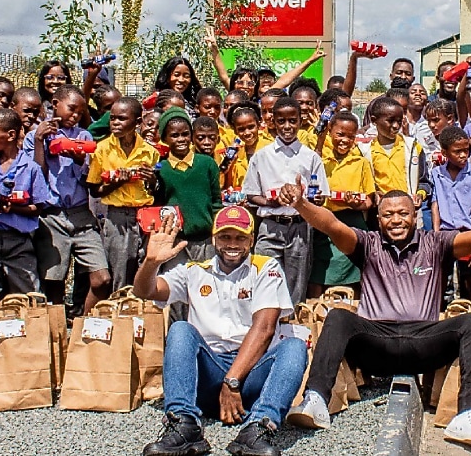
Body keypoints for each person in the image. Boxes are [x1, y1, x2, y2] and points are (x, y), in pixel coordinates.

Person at [283, 186, 471, 451]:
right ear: (378, 219)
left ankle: (469, 416)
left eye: (403, 213)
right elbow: (331, 225)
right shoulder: (367, 244)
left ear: (415, 215)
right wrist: (300, 204)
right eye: (388, 215)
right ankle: (316, 400)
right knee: (339, 317)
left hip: (425, 343)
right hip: (376, 344)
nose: (396, 220)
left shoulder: (435, 243)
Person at [135, 207, 307, 456]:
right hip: (209, 374)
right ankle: (183, 425)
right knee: (181, 328)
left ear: (252, 239)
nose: (232, 244)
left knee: (295, 346)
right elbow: (146, 291)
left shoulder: (266, 268)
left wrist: (233, 380)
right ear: (214, 238)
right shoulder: (195, 270)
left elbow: (265, 328)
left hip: (250, 376)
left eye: (240, 237)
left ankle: (258, 428)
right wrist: (151, 263)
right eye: (225, 237)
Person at [26, 85, 110, 313]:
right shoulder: (35, 135)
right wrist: (39, 142)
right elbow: (36, 178)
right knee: (54, 281)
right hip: (52, 215)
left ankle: (83, 321)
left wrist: (78, 159)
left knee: (101, 278)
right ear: (55, 104)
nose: (74, 115)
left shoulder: (84, 136)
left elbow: (89, 181)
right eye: (71, 109)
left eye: (79, 112)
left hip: (81, 214)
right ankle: (59, 330)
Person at [241, 97, 328, 304]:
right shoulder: (262, 156)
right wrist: (272, 201)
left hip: (299, 225)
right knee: (264, 278)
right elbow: (251, 194)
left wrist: (306, 199)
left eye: (292, 121)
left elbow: (321, 197)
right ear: (273, 121)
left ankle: (293, 328)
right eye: (281, 121)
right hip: (270, 226)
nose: (287, 126)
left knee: (295, 285)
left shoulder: (311, 157)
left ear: (300, 120)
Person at [0, 108, 53, 296]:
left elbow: (37, 208)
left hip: (19, 239)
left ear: (10, 135)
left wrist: (13, 208)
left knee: (28, 294)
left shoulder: (31, 168)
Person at [86, 97, 160, 289]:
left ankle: (144, 310)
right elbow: (95, 190)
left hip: (144, 214)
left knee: (145, 264)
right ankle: (121, 310)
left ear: (137, 122)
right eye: (113, 118)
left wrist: (151, 180)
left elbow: (154, 190)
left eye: (121, 119)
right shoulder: (102, 149)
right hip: (117, 216)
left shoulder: (149, 151)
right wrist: (118, 182)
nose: (115, 123)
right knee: (120, 269)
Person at [311, 111, 376, 297]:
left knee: (352, 270)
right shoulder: (320, 161)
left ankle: (352, 310)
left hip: (351, 221)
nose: (345, 140)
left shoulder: (360, 162)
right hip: (323, 222)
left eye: (350, 136)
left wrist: (356, 203)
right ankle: (314, 312)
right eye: (340, 134)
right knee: (319, 269)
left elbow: (369, 200)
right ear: (330, 131)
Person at [156, 108, 225, 267]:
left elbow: (216, 201)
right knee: (175, 285)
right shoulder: (161, 168)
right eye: (174, 135)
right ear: (164, 139)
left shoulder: (206, 164)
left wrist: (217, 231)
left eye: (185, 134)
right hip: (174, 240)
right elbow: (159, 202)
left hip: (205, 240)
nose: (181, 139)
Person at [430, 126, 471, 313]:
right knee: (439, 286)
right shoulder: (436, 174)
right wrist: (436, 236)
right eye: (457, 151)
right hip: (446, 236)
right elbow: (435, 205)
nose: (463, 155)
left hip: (469, 234)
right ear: (444, 152)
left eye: (466, 150)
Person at [364, 97, 430, 216]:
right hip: (379, 214)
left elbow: (424, 181)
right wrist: (374, 194)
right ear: (374, 120)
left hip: (407, 212)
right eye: (390, 121)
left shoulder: (413, 147)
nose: (396, 126)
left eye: (399, 121)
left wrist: (420, 194)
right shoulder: (365, 151)